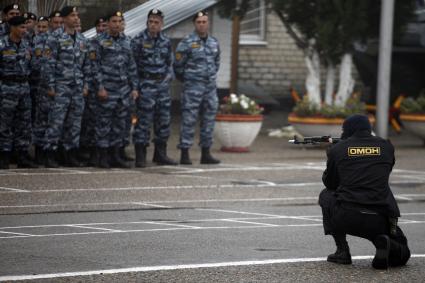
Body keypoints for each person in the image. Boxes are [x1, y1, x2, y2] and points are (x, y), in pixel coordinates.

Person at [319, 114, 411, 269]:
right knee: (403, 252)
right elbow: (382, 171)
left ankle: (342, 251)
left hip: (347, 216)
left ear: (347, 130)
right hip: (381, 217)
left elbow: (331, 183)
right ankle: (387, 245)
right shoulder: (386, 146)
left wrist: (332, 157)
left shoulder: (338, 149)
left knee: (326, 195)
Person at [89, 11, 139, 168]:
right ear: (108, 23)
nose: (117, 24)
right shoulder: (98, 41)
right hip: (107, 90)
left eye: (120, 21)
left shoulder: (127, 41)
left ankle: (115, 155)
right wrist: (100, 87)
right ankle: (102, 156)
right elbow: (94, 66)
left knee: (119, 124)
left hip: (123, 90)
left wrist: (134, 87)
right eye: (114, 21)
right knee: (104, 124)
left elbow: (131, 66)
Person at [42, 6, 90, 168]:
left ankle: (69, 154)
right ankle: (50, 153)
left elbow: (86, 65)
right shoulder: (54, 37)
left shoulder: (82, 39)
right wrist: (50, 86)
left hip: (77, 87)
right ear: (64, 19)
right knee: (56, 122)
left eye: (77, 15)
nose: (76, 18)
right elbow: (48, 63)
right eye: (72, 15)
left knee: (75, 123)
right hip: (60, 86)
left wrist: (85, 85)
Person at [131, 8, 177, 167]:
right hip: (146, 86)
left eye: (156, 22)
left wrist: (167, 79)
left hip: (162, 87)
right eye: (150, 21)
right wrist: (135, 88)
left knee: (163, 121)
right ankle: (140, 155)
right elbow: (133, 67)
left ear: (162, 24)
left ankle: (160, 154)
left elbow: (170, 64)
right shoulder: (138, 40)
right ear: (147, 22)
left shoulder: (165, 41)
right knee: (143, 122)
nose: (153, 25)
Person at [173, 11, 221, 165]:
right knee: (189, 120)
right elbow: (178, 66)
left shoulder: (214, 42)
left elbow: (216, 64)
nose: (202, 24)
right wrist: (189, 79)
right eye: (199, 22)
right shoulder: (186, 43)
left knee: (209, 120)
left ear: (208, 23)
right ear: (195, 24)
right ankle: (185, 154)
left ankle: (206, 153)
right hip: (192, 88)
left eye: (204, 21)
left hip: (210, 89)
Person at [0, 16, 37, 169]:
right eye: (21, 27)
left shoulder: (26, 45)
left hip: (23, 87)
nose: (24, 30)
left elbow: (31, 66)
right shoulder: (2, 44)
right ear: (12, 27)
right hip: (6, 87)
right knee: (4, 124)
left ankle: (22, 155)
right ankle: (3, 155)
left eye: (25, 27)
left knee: (24, 124)